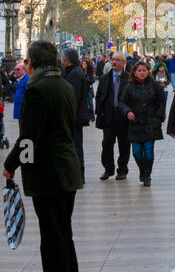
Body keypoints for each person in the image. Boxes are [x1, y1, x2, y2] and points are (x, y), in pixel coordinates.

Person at [4, 40, 85, 272]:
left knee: (52, 236)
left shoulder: (36, 88)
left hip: (48, 172)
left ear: (32, 63)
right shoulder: (64, 85)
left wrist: (13, 164)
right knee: (64, 232)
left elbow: (29, 137)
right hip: (67, 169)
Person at [119, 60, 166, 187]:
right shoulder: (129, 87)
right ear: (134, 72)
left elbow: (162, 101)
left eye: (144, 70)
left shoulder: (154, 85)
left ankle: (147, 175)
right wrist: (127, 111)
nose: (141, 73)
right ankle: (142, 170)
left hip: (151, 123)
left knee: (149, 152)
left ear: (148, 72)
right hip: (135, 125)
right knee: (137, 152)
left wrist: (159, 116)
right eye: (139, 70)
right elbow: (122, 102)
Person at [94, 52, 132, 181]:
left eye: (117, 60)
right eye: (113, 60)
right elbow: (99, 95)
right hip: (109, 117)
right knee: (107, 144)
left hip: (123, 117)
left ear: (123, 62)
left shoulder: (129, 79)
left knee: (124, 145)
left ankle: (122, 170)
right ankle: (108, 169)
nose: (114, 62)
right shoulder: (105, 78)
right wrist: (99, 111)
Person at [61, 49, 92, 176]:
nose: (62, 62)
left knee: (76, 145)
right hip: (75, 116)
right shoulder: (74, 72)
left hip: (74, 117)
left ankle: (78, 173)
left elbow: (73, 97)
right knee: (75, 145)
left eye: (63, 59)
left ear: (67, 61)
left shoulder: (74, 74)